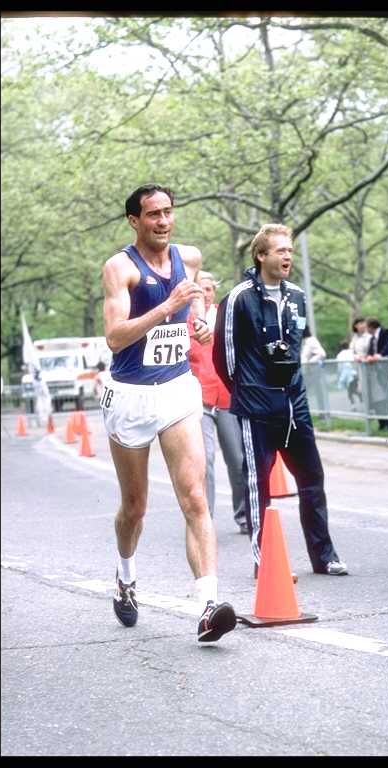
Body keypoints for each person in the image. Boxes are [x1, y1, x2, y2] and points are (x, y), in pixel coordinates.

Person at [100, 183, 236, 642]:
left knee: (195, 496)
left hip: (177, 388)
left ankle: (208, 606)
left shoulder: (190, 257)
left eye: (168, 212)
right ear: (134, 221)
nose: (162, 221)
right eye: (152, 214)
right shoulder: (120, 269)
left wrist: (198, 319)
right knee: (134, 508)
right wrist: (168, 307)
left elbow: (196, 301)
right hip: (130, 396)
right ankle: (125, 575)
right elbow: (115, 337)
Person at [213, 223, 348, 577]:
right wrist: (249, 391)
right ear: (261, 255)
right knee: (258, 485)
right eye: (280, 251)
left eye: (289, 250)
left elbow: (295, 347)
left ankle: (325, 556)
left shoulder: (297, 296)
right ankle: (265, 562)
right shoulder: (238, 298)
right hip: (257, 409)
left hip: (295, 406)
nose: (287, 256)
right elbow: (224, 358)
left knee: (312, 479)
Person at [188, 270, 248, 534]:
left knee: (237, 458)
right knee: (205, 460)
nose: (206, 293)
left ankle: (244, 515)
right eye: (200, 289)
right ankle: (205, 520)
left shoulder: (226, 316)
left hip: (226, 396)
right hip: (196, 397)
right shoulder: (182, 320)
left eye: (210, 289)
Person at [365, 318, 388, 429]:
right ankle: (384, 423)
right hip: (378, 373)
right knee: (381, 398)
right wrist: (368, 356)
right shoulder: (372, 339)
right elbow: (370, 352)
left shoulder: (387, 332)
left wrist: (380, 355)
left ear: (371, 326)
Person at [300, 326, 329, 416]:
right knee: (305, 392)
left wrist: (310, 362)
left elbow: (322, 354)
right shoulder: (304, 342)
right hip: (308, 372)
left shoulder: (311, 341)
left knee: (318, 392)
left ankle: (323, 413)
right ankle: (314, 412)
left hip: (314, 371)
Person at [334, 341, 358, 409]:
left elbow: (339, 367)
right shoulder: (352, 352)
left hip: (346, 374)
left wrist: (340, 374)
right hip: (354, 373)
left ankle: (353, 404)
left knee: (350, 391)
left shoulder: (339, 355)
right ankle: (359, 398)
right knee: (354, 389)